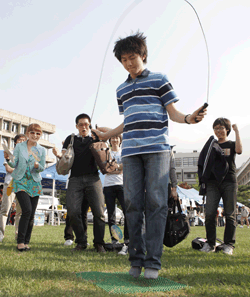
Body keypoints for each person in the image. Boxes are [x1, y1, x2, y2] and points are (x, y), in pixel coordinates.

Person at [92, 32, 206, 279]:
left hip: (157, 150)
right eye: (123, 60)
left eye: (132, 57)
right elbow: (129, 121)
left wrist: (188, 118)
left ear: (143, 55)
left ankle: (153, 262)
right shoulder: (121, 89)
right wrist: (107, 134)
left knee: (156, 203)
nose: (128, 63)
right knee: (132, 204)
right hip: (131, 152)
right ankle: (136, 259)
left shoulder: (159, 79)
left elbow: (173, 112)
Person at [53, 113, 106, 253]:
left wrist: (98, 129)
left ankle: (99, 243)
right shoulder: (70, 139)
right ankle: (81, 241)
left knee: (99, 212)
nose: (84, 127)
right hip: (75, 179)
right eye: (81, 124)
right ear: (76, 126)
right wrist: (59, 155)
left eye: (87, 124)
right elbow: (64, 156)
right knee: (73, 211)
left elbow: (110, 134)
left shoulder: (96, 138)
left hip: (93, 178)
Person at [198, 118, 242, 255]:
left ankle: (229, 244)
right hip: (212, 183)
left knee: (230, 214)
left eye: (221, 128)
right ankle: (210, 244)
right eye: (216, 128)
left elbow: (239, 150)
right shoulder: (212, 145)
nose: (218, 131)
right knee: (210, 213)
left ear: (227, 129)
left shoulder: (231, 143)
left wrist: (237, 131)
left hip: (229, 182)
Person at [4, 124, 45, 251]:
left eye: (38, 133)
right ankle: (20, 242)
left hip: (35, 182)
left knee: (31, 214)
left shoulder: (42, 150)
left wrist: (38, 166)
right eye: (32, 132)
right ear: (27, 133)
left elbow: (42, 167)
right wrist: (8, 159)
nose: (35, 135)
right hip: (20, 181)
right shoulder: (20, 146)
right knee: (26, 210)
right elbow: (14, 163)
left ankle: (26, 242)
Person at [103, 135, 129, 255]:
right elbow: (104, 168)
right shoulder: (106, 152)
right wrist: (117, 168)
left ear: (120, 140)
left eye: (117, 138)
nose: (114, 140)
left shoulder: (123, 153)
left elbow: (125, 167)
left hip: (121, 184)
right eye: (112, 138)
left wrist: (115, 168)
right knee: (111, 215)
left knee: (127, 212)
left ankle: (127, 240)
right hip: (108, 185)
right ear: (109, 140)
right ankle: (115, 239)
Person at [0, 134, 27, 243]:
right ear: (15, 142)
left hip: (22, 185)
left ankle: (18, 236)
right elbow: (8, 169)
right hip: (10, 184)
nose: (22, 142)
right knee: (5, 209)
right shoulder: (9, 153)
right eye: (20, 140)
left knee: (20, 212)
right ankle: (1, 234)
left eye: (24, 140)